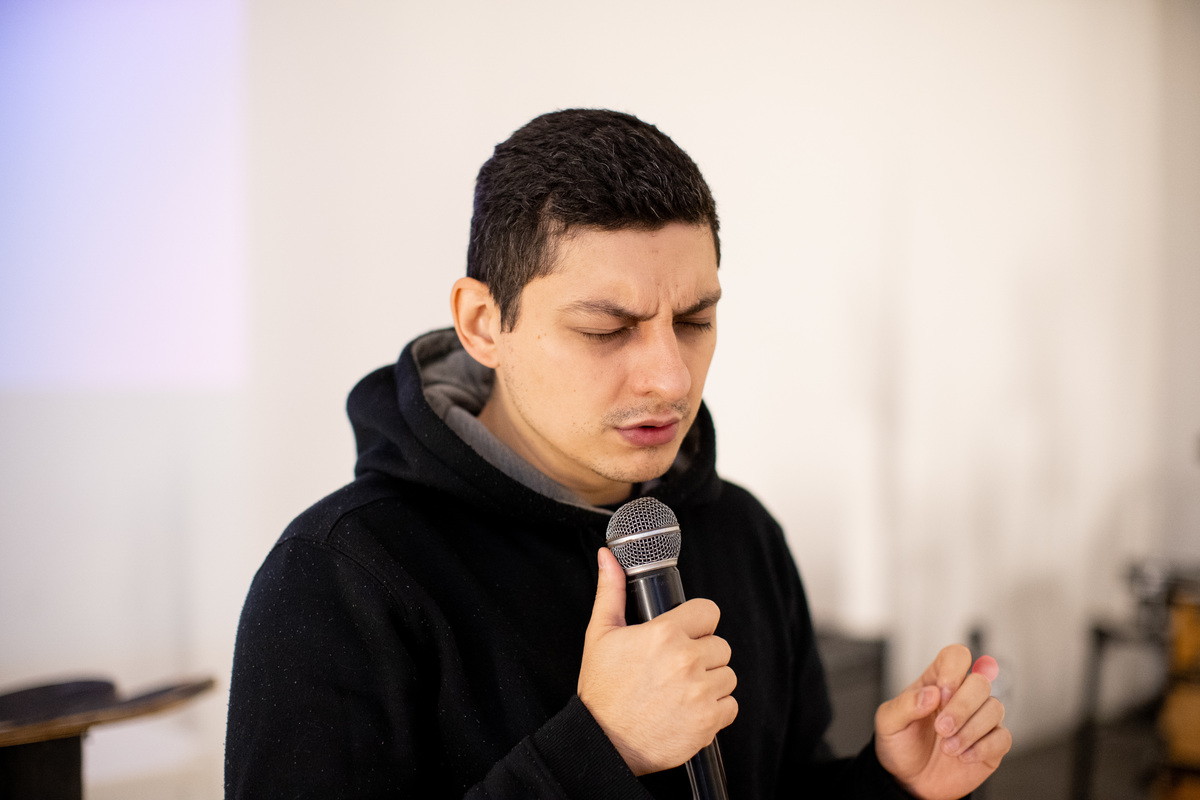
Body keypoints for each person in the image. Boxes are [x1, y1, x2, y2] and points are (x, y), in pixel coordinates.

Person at [225, 109, 1011, 799]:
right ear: (481, 323)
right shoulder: (339, 575)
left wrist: (890, 785)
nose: (670, 376)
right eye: (606, 329)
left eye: (695, 320)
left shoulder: (742, 531)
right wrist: (595, 753)